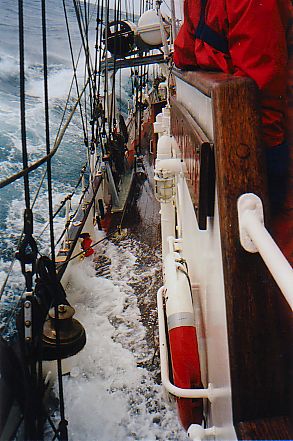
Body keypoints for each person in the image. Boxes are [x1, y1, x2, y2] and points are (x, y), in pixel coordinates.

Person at [174, 0, 292, 264]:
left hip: (274, 143)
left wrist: (268, 183)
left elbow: (262, 99)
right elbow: (183, 53)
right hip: (256, 141)